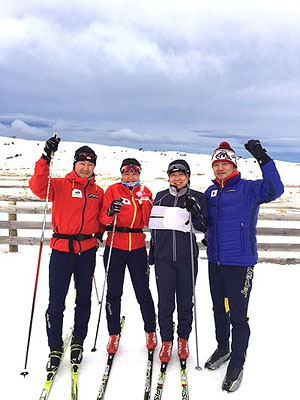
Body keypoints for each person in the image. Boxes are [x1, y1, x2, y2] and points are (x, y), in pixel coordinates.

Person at [204, 140, 284, 392]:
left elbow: (275, 189)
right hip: (215, 261)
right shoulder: (210, 192)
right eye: (216, 164)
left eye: (225, 163)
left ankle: (237, 362)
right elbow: (205, 221)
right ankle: (222, 347)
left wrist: (263, 159)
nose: (220, 168)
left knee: (238, 316)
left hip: (239, 262)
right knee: (219, 308)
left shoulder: (249, 189)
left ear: (233, 165)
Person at [29, 136, 105, 371]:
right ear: (75, 164)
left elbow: (101, 219)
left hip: (87, 251)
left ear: (94, 167)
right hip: (62, 251)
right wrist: (45, 158)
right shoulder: (60, 185)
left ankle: (78, 342)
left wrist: (100, 233)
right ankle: (54, 346)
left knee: (83, 299)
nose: (86, 168)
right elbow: (38, 188)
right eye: (82, 163)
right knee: (56, 301)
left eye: (90, 164)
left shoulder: (98, 192)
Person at [148, 159, 208, 363]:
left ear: (188, 176)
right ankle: (166, 340)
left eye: (181, 174)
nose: (177, 178)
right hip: (163, 259)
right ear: (168, 177)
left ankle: (183, 338)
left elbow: (203, 226)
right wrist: (153, 251)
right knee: (165, 303)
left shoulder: (197, 197)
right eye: (173, 175)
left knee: (185, 302)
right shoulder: (160, 197)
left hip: (186, 259)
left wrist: (196, 212)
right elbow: (155, 227)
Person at [99, 158, 157, 354]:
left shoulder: (146, 191)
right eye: (127, 173)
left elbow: (148, 221)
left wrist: (145, 203)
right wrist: (110, 211)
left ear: (139, 174)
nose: (130, 176)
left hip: (137, 246)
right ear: (122, 174)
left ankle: (150, 330)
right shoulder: (113, 190)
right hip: (115, 244)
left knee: (143, 291)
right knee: (114, 292)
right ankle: (113, 334)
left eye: (134, 173)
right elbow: (103, 219)